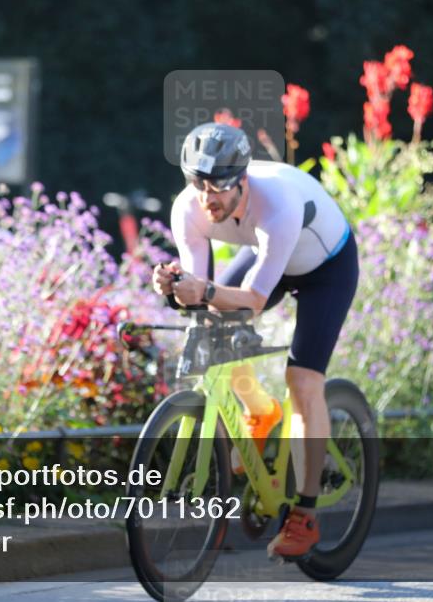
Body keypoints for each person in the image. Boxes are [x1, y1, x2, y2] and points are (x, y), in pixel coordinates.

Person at [151, 122, 359, 559]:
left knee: (303, 381)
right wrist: (174, 288)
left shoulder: (277, 204)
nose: (207, 198)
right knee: (212, 325)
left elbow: (254, 300)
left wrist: (205, 290)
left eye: (218, 187)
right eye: (198, 184)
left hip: (326, 268)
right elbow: (201, 293)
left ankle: (304, 517)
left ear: (241, 180)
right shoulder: (188, 208)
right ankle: (259, 411)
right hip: (269, 254)